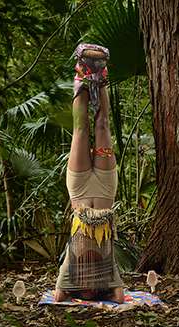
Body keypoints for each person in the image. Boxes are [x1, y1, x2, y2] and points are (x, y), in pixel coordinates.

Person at [54, 43, 124, 304]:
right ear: (98, 289)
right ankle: (100, 74)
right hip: (105, 188)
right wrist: (105, 294)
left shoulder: (70, 267)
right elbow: (119, 297)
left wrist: (73, 294)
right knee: (102, 124)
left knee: (81, 130)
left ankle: (83, 70)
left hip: (80, 187)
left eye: (83, 294)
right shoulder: (109, 266)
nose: (87, 292)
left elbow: (59, 296)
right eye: (90, 294)